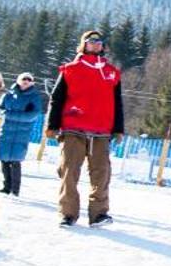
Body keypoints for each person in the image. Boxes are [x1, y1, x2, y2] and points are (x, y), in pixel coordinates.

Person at [46, 30, 124, 227]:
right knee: (69, 171)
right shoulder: (71, 69)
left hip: (101, 131)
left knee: (102, 173)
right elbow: (57, 97)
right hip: (73, 127)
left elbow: (117, 102)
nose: (96, 44)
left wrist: (118, 128)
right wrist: (52, 125)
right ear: (84, 44)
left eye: (100, 41)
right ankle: (68, 214)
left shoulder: (111, 72)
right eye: (92, 41)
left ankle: (99, 214)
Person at [0, 72, 46, 196]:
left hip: (21, 133)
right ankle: (6, 186)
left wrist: (10, 115)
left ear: (32, 83)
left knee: (16, 161)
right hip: (6, 130)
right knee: (4, 159)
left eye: (29, 79)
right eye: (24, 79)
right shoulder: (9, 94)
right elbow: (0, 108)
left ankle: (15, 189)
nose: (26, 81)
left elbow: (33, 115)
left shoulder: (34, 96)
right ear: (18, 80)